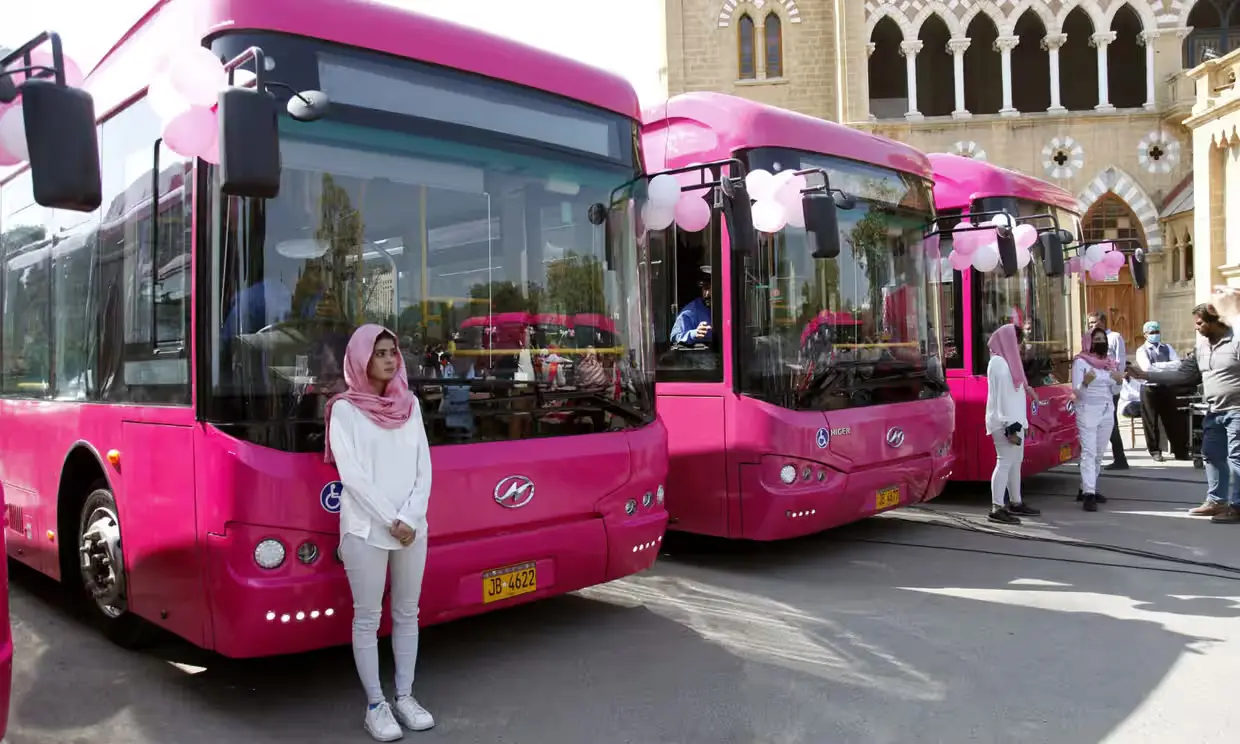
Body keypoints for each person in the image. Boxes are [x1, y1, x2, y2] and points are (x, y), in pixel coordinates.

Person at [325, 324, 435, 740]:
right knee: (368, 618)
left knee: (408, 613)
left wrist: (411, 517)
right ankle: (376, 705)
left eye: (393, 352)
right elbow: (352, 476)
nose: (390, 359)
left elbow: (424, 468)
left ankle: (405, 696)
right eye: (380, 353)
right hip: (365, 530)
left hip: (413, 527)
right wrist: (394, 519)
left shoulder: (411, 406)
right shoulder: (343, 410)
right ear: (361, 359)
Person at [1128, 303, 1240, 523]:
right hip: (1214, 410)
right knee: (1211, 454)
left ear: (1215, 321)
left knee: (1237, 458)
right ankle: (1217, 501)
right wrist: (1146, 375)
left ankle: (1238, 507)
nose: (1197, 328)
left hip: (1237, 410)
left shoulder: (1236, 343)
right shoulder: (1202, 348)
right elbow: (1183, 375)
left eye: (1200, 323)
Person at [984, 323, 1041, 525]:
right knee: (1005, 462)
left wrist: (1022, 421)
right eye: (1017, 341)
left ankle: (1016, 502)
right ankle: (997, 507)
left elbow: (1016, 391)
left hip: (1015, 421)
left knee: (1016, 463)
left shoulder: (1010, 362)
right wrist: (1010, 425)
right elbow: (1001, 397)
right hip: (1005, 422)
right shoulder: (998, 363)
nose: (1020, 346)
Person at [1072, 327, 1124, 511]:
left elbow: (1115, 391)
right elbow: (1077, 392)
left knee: (1099, 452)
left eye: (1103, 339)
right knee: (1089, 452)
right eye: (1097, 339)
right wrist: (1085, 382)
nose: (1101, 342)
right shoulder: (1080, 362)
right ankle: (1089, 494)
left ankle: (1086, 487)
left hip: (1107, 410)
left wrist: (1118, 381)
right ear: (1089, 342)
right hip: (1087, 411)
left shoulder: (1110, 363)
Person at [1134, 320, 1190, 461]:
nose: (1155, 335)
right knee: (1151, 422)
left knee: (1174, 420)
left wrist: (1157, 366)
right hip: (1150, 389)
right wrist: (1166, 367)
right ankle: (1155, 451)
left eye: (1157, 332)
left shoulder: (1167, 347)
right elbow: (1147, 368)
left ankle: (1180, 451)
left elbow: (1178, 365)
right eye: (1152, 332)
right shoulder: (1141, 350)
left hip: (1167, 387)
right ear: (1145, 334)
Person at [1087, 311, 1129, 470]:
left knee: (1110, 422)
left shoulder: (1114, 337)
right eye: (1090, 323)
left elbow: (1120, 361)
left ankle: (1120, 458)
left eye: (1095, 322)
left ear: (1103, 322)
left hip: (1110, 387)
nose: (1092, 326)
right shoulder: (1090, 339)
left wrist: (1116, 385)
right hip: (1096, 387)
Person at [669, 268, 713, 344]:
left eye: (710, 288)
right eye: (705, 288)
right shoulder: (690, 311)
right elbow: (675, 337)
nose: (707, 294)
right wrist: (694, 334)